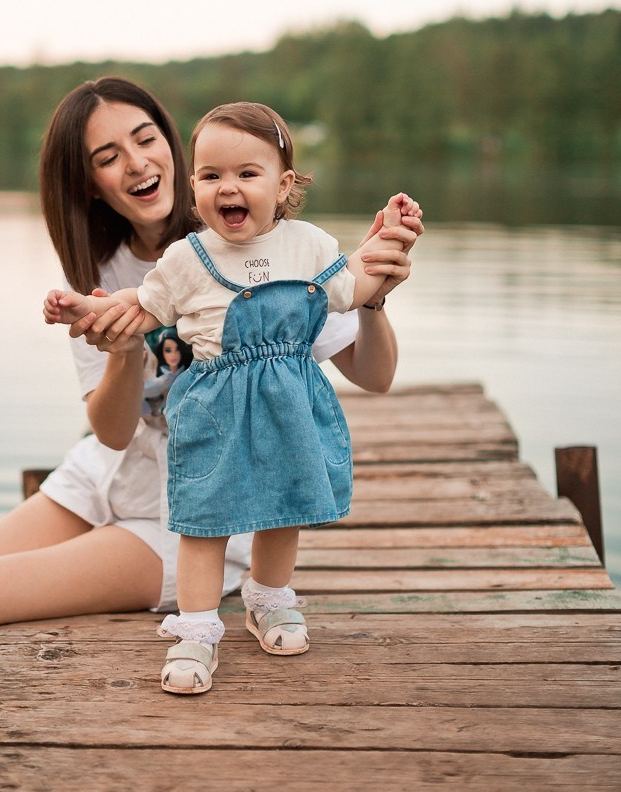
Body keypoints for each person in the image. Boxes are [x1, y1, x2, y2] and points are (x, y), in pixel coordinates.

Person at [0, 77, 422, 710]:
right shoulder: (104, 270)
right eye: (107, 156)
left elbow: (375, 375)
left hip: (199, 498)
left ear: (172, 147)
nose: (136, 162)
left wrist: (375, 297)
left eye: (145, 139)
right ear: (91, 183)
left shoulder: (266, 250)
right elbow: (113, 432)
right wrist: (122, 352)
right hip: (105, 470)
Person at [44, 101, 422, 695]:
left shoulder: (310, 247)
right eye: (211, 175)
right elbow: (139, 307)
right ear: (194, 187)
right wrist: (85, 308)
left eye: (248, 173)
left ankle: (269, 598)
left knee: (286, 504)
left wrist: (389, 241)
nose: (229, 187)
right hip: (213, 409)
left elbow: (354, 289)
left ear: (284, 185)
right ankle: (196, 628)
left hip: (289, 401)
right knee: (204, 516)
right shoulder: (186, 258)